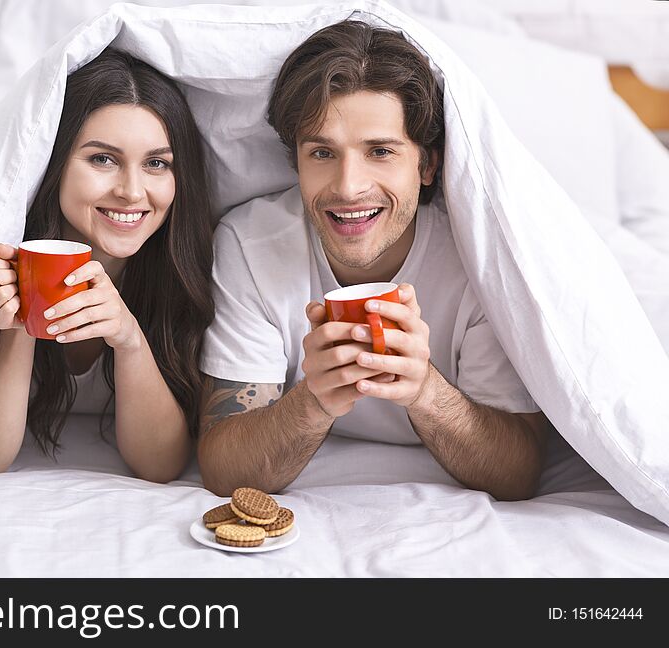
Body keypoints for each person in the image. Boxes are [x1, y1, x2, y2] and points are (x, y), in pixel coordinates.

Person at [197, 21, 548, 500]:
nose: (347, 186)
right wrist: (315, 400)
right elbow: (221, 471)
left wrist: (425, 389)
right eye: (322, 152)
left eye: (380, 152)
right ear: (295, 162)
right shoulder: (250, 244)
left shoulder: (478, 260)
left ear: (427, 165)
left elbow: (519, 473)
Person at [0, 48, 214, 482]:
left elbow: (160, 467)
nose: (132, 192)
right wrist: (19, 320)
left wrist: (129, 338)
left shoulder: (185, 270)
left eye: (156, 164)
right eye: (103, 159)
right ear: (53, 164)